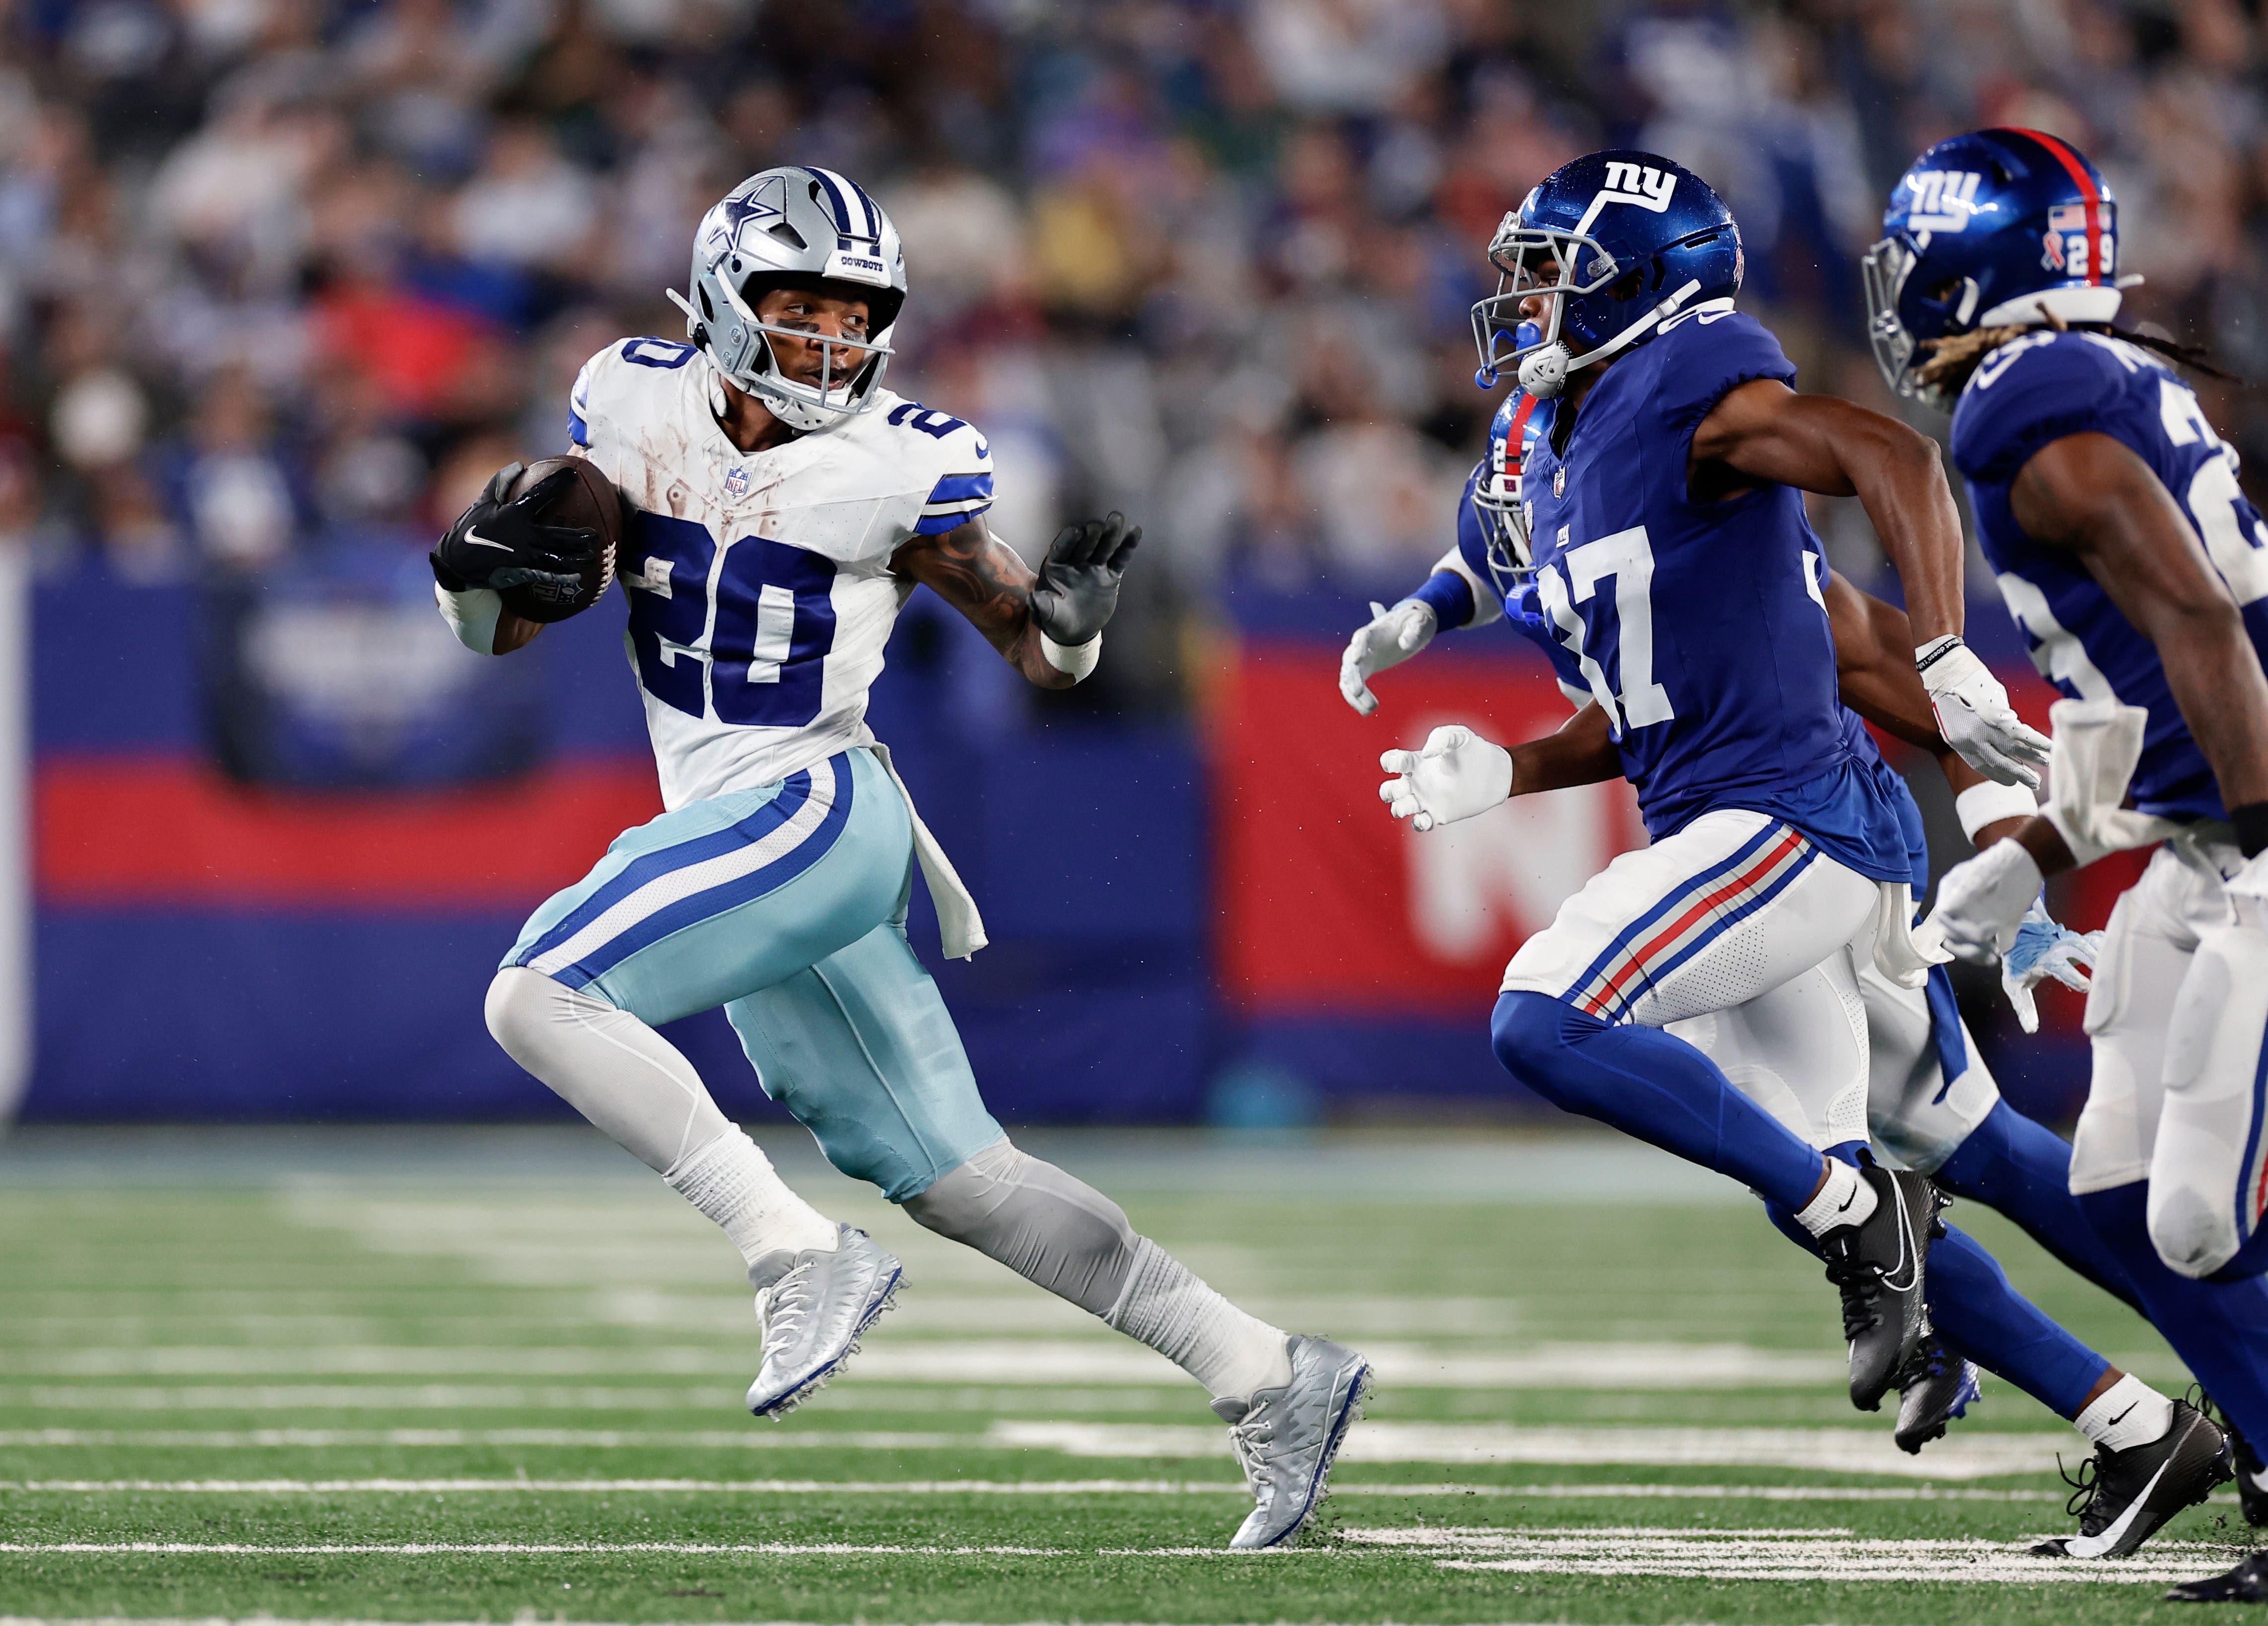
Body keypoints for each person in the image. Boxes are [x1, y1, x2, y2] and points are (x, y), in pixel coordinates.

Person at [427, 166, 1368, 1550]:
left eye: (852, 312)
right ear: (724, 298)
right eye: (796, 305)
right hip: (737, 830)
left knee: (536, 994)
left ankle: (790, 1252)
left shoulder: (899, 461)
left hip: (816, 809)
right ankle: (1266, 1374)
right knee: (957, 1178)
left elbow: (1037, 654)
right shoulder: (625, 399)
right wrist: (468, 577)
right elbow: (506, 631)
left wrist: (1076, 625)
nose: (825, 339)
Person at [1342, 389, 2213, 1553]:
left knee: (1833, 1192)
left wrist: (2004, 839)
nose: (1533, 560)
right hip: (1773, 824)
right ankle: (2158, 1415)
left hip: (1800, 828)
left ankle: (2114, 1363)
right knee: (1964, 1152)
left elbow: (1863, 650)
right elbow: (1493, 559)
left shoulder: (1705, 521)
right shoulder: (1551, 494)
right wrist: (1419, 612)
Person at [1377, 149, 2051, 1419]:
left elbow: (1872, 554)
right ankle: (2127, 1417)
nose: (1524, 307)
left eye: (1551, 279)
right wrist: (1454, 671)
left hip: (1799, 818)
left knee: (1874, 1160)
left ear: (1634, 286)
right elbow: (1512, 564)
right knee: (1843, 1162)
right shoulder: (1573, 438)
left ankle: (2181, 1356)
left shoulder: (1689, 393)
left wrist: (1994, 791)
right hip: (1745, 814)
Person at [1872, 126, 2268, 1599]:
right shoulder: (2074, 380)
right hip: (2196, 829)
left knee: (2192, 1210)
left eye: (1916, 261)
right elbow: (2131, 695)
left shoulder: (2022, 400)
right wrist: (2037, 850)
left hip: (2249, 829)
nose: (1899, 292)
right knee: (2109, 1188)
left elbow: (2197, 624)